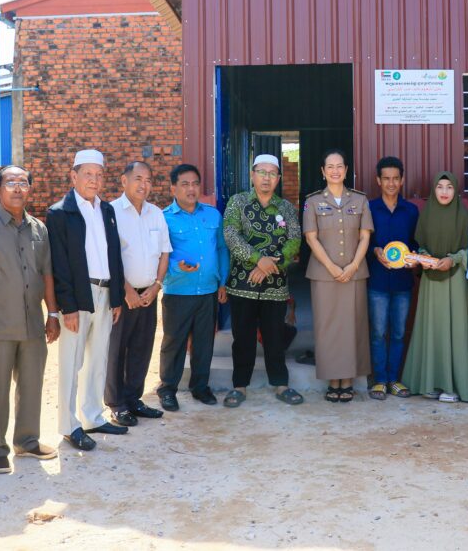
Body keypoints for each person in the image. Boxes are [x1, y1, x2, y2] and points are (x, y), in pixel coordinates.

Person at [0, 165, 61, 474]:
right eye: (10, 182)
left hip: (33, 324)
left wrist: (52, 313)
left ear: (30, 189)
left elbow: (47, 274)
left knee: (31, 385)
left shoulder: (39, 229)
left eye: (23, 182)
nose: (18, 188)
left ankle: (27, 441)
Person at [46, 150, 127, 452]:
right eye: (88, 174)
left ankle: (92, 417)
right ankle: (69, 425)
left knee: (98, 359)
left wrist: (116, 297)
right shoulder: (60, 213)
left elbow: (114, 255)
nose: (94, 180)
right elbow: (59, 263)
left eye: (99, 174)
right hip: (79, 298)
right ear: (74, 176)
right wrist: (67, 307)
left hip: (106, 294)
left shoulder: (106, 210)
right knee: (72, 362)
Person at [221, 154, 304, 407]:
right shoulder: (238, 202)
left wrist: (270, 266)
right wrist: (259, 259)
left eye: (272, 174)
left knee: (275, 337)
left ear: (278, 178)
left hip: (275, 287)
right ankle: (239, 386)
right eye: (261, 172)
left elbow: (294, 240)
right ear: (252, 175)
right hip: (242, 284)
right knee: (242, 338)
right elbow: (231, 235)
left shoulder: (286, 208)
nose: (266, 178)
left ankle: (281, 384)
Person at [401, 172, 468, 402]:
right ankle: (430, 382)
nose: (444, 192)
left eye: (449, 187)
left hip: (456, 280)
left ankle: (453, 386)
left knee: (455, 329)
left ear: (456, 191)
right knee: (432, 328)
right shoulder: (426, 215)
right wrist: (425, 257)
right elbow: (419, 244)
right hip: (430, 280)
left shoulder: (464, 216)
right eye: (440, 187)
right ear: (433, 190)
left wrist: (453, 260)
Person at [303, 149, 373, 403]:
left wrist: (353, 265)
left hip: (354, 273)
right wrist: (332, 267)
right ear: (323, 171)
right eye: (330, 167)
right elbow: (311, 238)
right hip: (324, 275)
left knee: (353, 326)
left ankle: (348, 380)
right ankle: (333, 380)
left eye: (339, 166)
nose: (335, 171)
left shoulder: (360, 200)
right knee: (328, 328)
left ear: (346, 170)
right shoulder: (312, 202)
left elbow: (365, 235)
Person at [158, 164, 229, 409]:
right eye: (185, 184)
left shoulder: (212, 215)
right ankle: (167, 389)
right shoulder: (164, 218)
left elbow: (221, 249)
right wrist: (177, 267)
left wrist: (222, 281)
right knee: (174, 343)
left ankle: (200, 387)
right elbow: (159, 254)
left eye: (195, 184)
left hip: (208, 291)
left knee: (204, 343)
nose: (191, 189)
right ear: (173, 189)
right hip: (178, 291)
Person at [107, 161, 171, 425]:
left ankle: (134, 399)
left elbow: (165, 252)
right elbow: (109, 256)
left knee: (141, 348)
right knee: (116, 350)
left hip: (149, 294)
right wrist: (127, 290)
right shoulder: (110, 211)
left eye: (148, 180)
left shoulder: (156, 213)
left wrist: (156, 286)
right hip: (122, 295)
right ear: (124, 181)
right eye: (138, 179)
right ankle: (116, 404)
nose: (144, 185)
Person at [365, 156, 420, 400]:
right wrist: (374, 250)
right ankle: (379, 380)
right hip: (377, 281)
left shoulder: (411, 211)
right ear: (378, 180)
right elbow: (362, 242)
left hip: (402, 282)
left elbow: (416, 243)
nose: (391, 183)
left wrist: (415, 257)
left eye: (395, 178)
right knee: (378, 333)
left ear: (402, 180)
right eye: (386, 178)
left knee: (398, 333)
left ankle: (394, 380)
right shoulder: (369, 209)